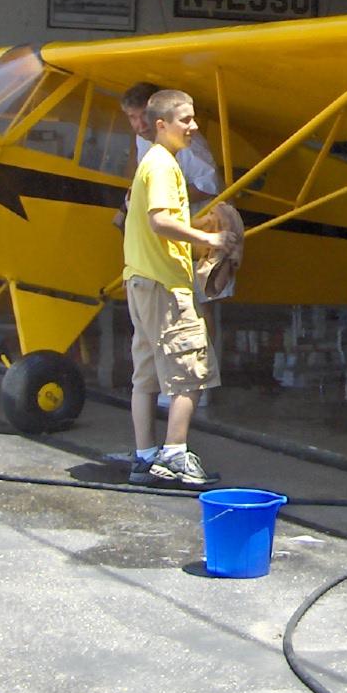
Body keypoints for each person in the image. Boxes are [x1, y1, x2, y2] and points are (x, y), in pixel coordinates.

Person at [122, 88, 239, 488]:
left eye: (193, 118)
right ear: (162, 125)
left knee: (146, 376)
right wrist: (210, 241)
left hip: (140, 281)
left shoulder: (148, 162)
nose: (194, 126)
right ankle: (174, 454)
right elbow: (160, 221)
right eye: (185, 120)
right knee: (192, 371)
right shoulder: (163, 166)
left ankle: (144, 457)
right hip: (164, 284)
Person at [117, 81, 235, 386]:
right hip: (172, 234)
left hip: (201, 226)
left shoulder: (186, 146)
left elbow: (210, 185)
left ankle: (200, 378)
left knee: (198, 304)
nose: (137, 124)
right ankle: (169, 378)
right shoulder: (145, 142)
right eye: (131, 117)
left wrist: (162, 198)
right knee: (170, 310)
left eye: (141, 115)